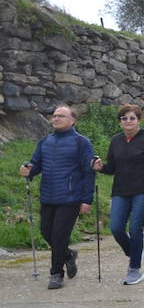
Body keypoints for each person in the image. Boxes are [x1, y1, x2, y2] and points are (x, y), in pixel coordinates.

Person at [19, 104, 95, 290]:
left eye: (61, 116)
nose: (56, 119)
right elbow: (36, 164)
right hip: (48, 196)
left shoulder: (81, 142)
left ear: (72, 120)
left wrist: (86, 199)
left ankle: (56, 274)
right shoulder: (45, 141)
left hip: (70, 198)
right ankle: (68, 255)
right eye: (54, 116)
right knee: (47, 233)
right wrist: (28, 170)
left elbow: (88, 172)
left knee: (59, 235)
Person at [93, 104, 144, 285]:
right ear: (120, 122)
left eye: (132, 118)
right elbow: (112, 168)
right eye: (124, 118)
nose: (128, 121)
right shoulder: (116, 140)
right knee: (116, 228)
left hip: (143, 191)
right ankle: (134, 251)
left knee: (135, 228)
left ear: (139, 120)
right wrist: (101, 168)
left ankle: (134, 269)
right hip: (120, 191)